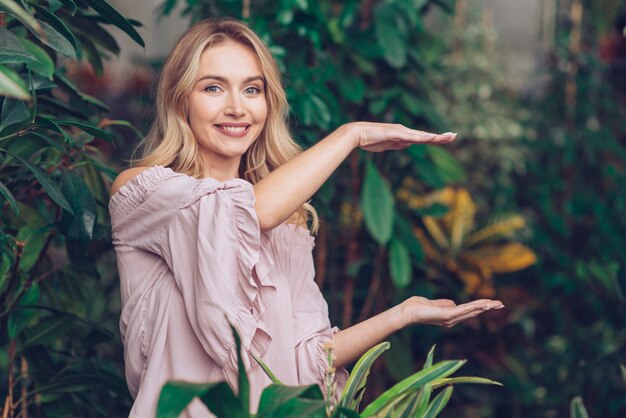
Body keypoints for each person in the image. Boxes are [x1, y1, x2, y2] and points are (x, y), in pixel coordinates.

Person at [108, 18, 504, 418]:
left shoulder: (288, 223)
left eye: (252, 89)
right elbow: (247, 213)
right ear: (181, 101)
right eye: (213, 87)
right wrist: (352, 134)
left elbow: (306, 354)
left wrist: (403, 314)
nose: (236, 107)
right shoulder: (145, 193)